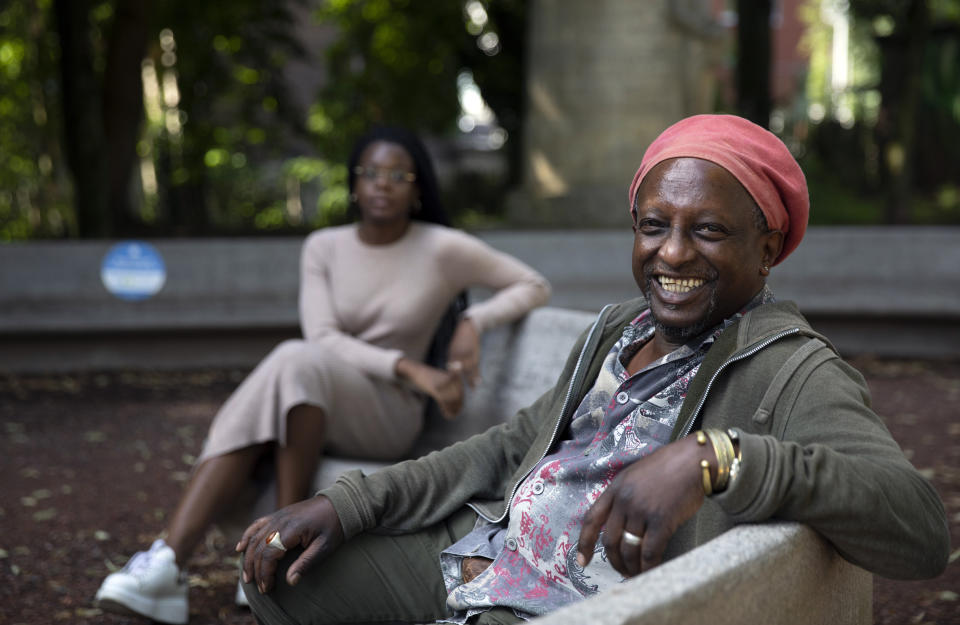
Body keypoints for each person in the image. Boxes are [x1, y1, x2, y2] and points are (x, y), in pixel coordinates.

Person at [236, 115, 950, 625]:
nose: (671, 254)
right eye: (652, 225)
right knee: (282, 575)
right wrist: (349, 502)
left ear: (766, 250)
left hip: (579, 602)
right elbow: (509, 446)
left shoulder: (793, 366)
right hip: (481, 557)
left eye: (707, 229)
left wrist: (716, 457)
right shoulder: (618, 328)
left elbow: (920, 530)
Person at [94, 126, 552, 624]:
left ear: (417, 189)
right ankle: (206, 558)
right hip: (327, 392)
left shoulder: (443, 248)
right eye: (370, 173)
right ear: (354, 185)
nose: (382, 184)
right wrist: (411, 368)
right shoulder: (324, 247)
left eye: (398, 175)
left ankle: (175, 561)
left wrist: (472, 321)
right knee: (298, 365)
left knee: (295, 363)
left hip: (387, 414)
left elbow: (533, 283)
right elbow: (324, 336)